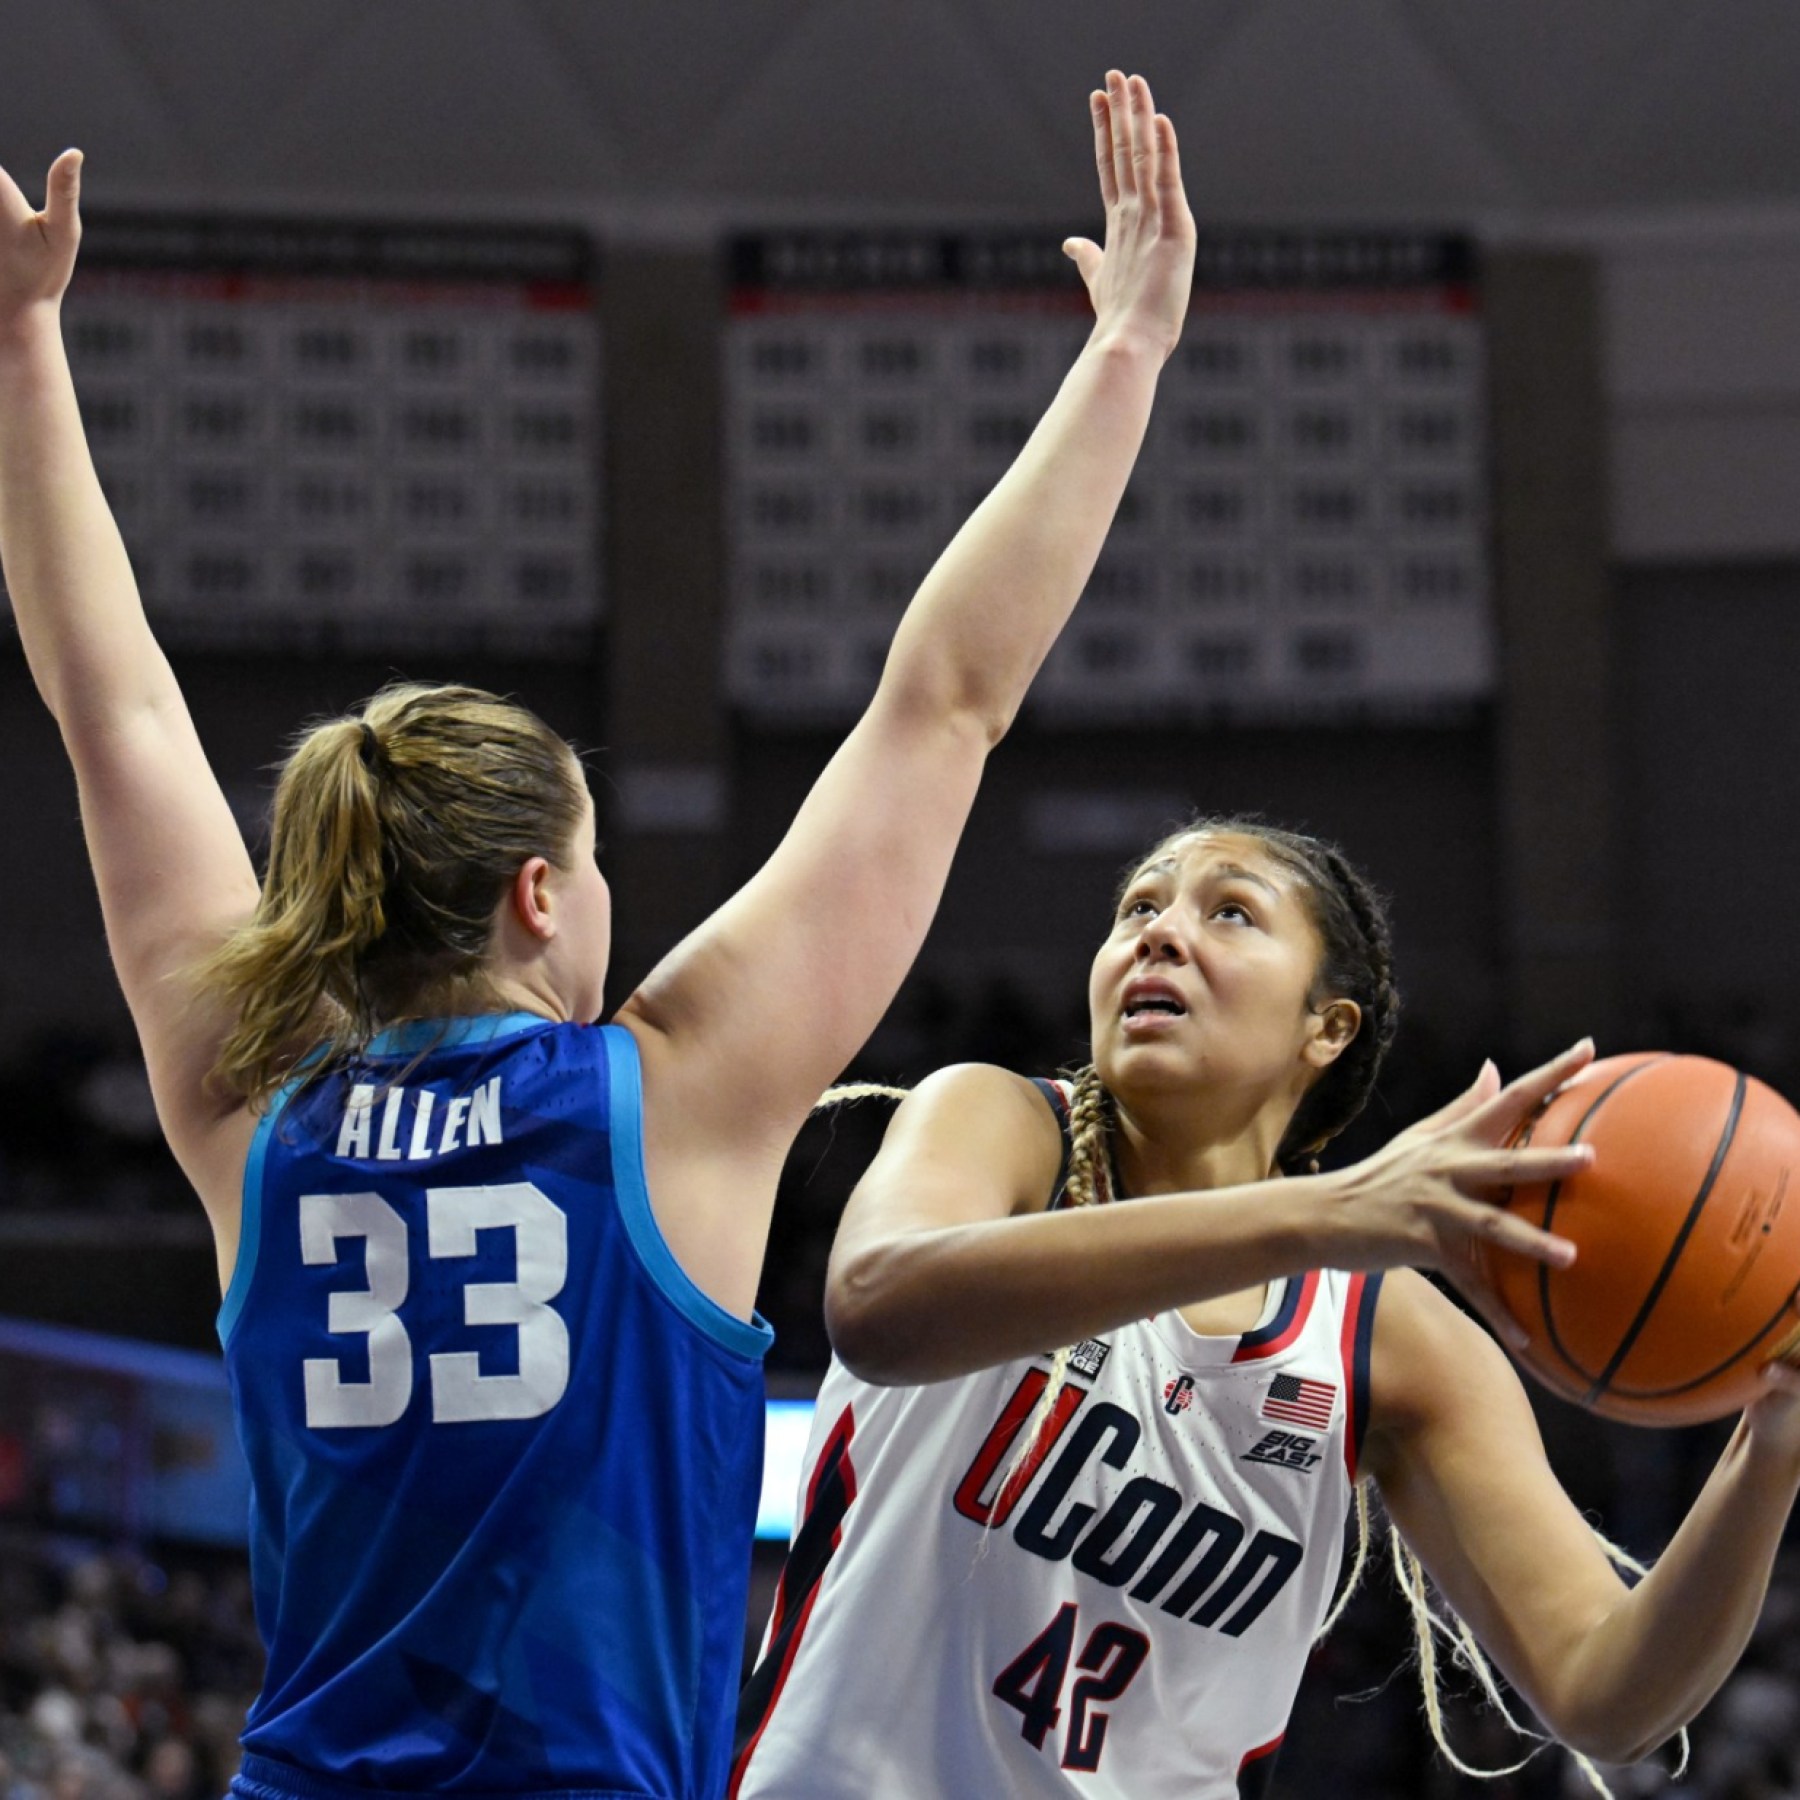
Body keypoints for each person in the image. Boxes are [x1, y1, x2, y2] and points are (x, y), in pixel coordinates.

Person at [0, 73, 1196, 1800]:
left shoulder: (254, 1116)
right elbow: (944, 700)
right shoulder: (674, 1094)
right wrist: (1126, 356)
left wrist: (26, 344)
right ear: (538, 895)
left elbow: (110, 709)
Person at [733, 819, 1800, 1799]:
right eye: (1137, 910)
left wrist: (1773, 1448)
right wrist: (1330, 1214)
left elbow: (1608, 1700)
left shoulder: (1394, 1341)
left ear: (1324, 1027)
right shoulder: (1000, 1126)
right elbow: (878, 1305)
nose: (1158, 936)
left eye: (1228, 911)